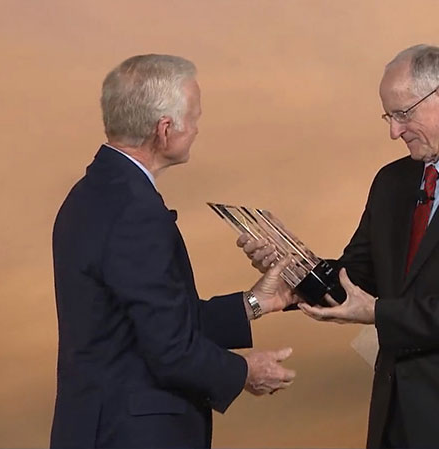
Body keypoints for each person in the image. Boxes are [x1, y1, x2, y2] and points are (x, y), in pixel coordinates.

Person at [239, 45, 439, 448]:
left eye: (403, 114)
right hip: (396, 414)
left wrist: (379, 313)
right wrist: (294, 273)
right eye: (389, 117)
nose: (394, 132)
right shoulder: (392, 181)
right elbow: (357, 276)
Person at [50, 54, 298, 449]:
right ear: (164, 130)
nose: (197, 128)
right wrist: (245, 372)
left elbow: (152, 323)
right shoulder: (135, 209)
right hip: (132, 436)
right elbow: (169, 350)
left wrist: (256, 302)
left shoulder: (91, 193)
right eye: (194, 117)